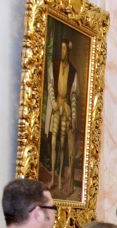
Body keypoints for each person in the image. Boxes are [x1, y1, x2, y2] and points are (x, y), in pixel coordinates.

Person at [45, 38, 79, 193]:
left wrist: (73, 116)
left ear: (68, 51)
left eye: (65, 49)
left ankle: (59, 179)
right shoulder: (54, 65)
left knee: (63, 144)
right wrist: (53, 103)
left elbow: (73, 96)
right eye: (61, 49)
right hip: (56, 106)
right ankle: (53, 177)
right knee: (53, 141)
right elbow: (51, 86)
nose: (62, 52)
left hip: (65, 108)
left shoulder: (73, 71)